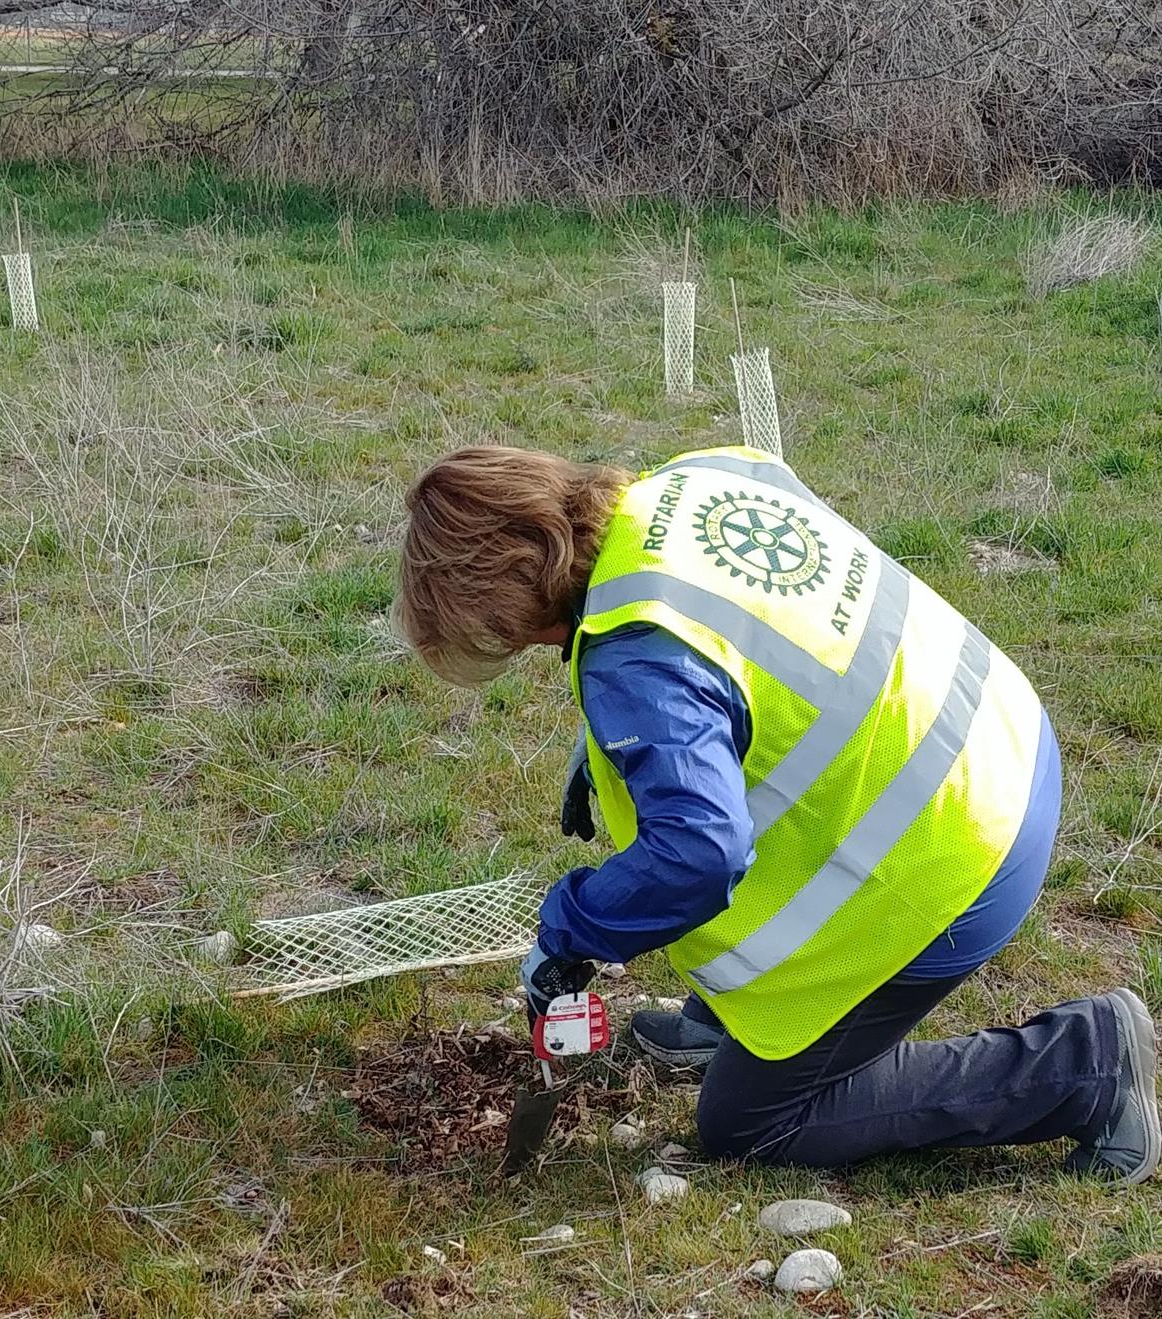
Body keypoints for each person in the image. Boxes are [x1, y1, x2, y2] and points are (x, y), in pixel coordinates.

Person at [393, 442, 1158, 1179]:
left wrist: (571, 927)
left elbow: (698, 853)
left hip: (961, 851)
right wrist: (619, 744)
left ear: (504, 597)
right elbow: (759, 661)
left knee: (752, 1121)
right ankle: (727, 1019)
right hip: (1000, 732)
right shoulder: (688, 481)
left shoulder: (637, 656)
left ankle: (1087, 1065)